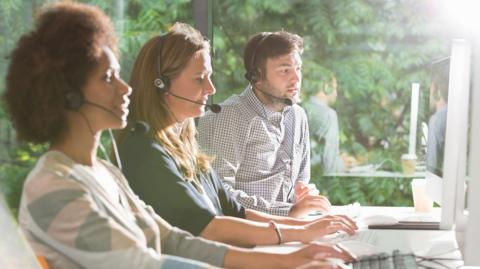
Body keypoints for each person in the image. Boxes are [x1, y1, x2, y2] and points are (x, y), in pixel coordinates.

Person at [3, 3, 350, 269]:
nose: (126, 88)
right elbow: (147, 264)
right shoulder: (53, 187)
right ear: (69, 94)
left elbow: (173, 241)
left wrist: (292, 256)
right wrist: (286, 257)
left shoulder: (105, 173)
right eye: (109, 78)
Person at [116, 23, 357, 253]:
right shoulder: (145, 150)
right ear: (161, 84)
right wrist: (295, 234)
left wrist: (307, 228)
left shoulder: (184, 147)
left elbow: (236, 210)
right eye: (200, 78)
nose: (211, 89)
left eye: (209, 76)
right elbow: (210, 228)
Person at [197, 31, 330, 217]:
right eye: (285, 70)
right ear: (256, 76)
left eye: (298, 68)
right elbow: (219, 193)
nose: (296, 79)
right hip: (247, 233)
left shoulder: (298, 116)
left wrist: (304, 195)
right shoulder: (229, 117)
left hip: (290, 229)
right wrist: (288, 211)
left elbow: (301, 180)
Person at [303, 76, 356, 174]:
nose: (336, 93)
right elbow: (329, 168)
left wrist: (338, 159)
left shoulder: (301, 108)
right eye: (335, 88)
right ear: (326, 87)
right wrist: (342, 164)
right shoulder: (328, 115)